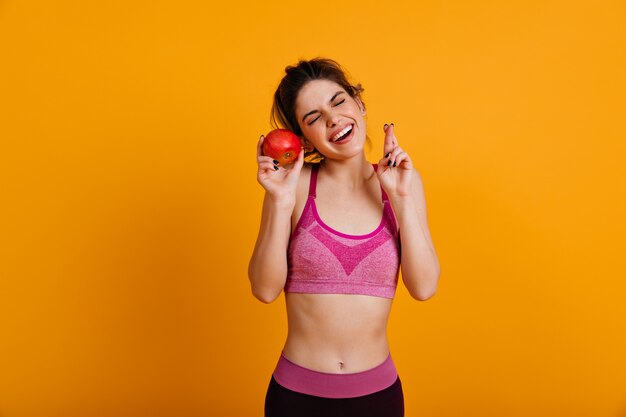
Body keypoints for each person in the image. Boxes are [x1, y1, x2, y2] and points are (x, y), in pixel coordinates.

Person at [248, 58, 440, 417]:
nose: (333, 119)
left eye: (338, 102)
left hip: (378, 398)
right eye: (314, 117)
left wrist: (400, 199)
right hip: (295, 398)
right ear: (304, 139)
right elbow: (264, 289)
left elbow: (424, 286)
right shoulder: (294, 186)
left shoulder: (403, 183)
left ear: (359, 103)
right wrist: (279, 201)